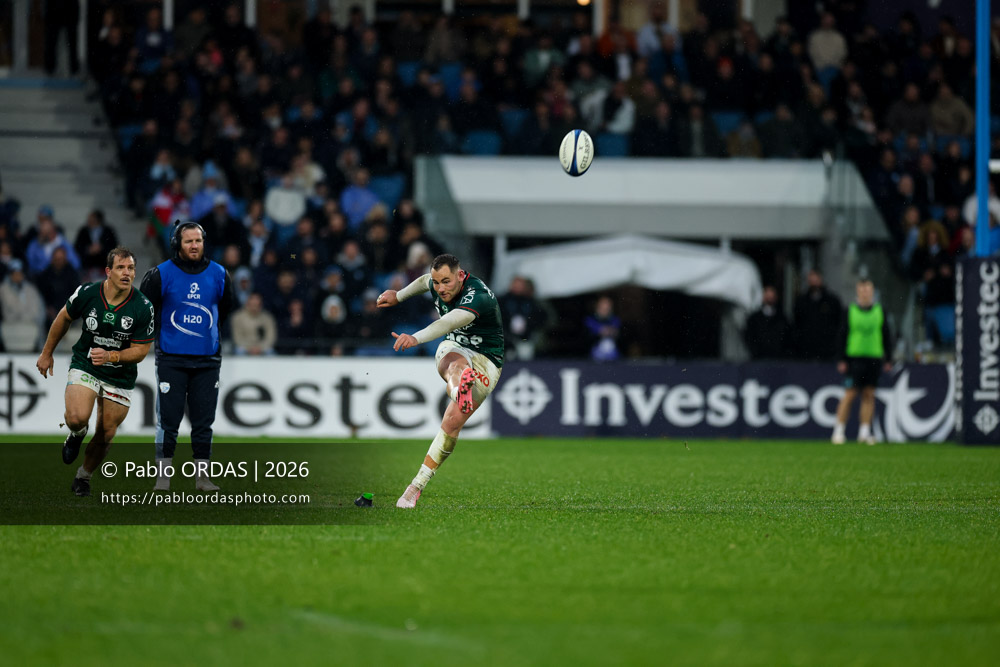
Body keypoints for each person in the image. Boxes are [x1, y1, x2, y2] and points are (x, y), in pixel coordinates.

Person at [376, 254, 504, 508]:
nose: (441, 288)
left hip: (487, 360)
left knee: (451, 423)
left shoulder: (477, 296)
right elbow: (424, 281)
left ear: (460, 275)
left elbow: (446, 323)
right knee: (456, 366)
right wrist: (398, 295)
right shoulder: (435, 282)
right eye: (437, 282)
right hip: (455, 347)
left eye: (446, 281)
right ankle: (413, 489)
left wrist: (415, 338)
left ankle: (418, 482)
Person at [34, 247, 154, 497]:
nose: (127, 273)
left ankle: (83, 477)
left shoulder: (143, 306)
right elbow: (64, 317)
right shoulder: (88, 292)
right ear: (108, 271)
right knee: (77, 417)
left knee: (107, 432)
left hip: (120, 374)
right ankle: (77, 433)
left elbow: (141, 350)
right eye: (120, 268)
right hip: (86, 363)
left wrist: (112, 356)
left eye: (131, 268)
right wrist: (47, 353)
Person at [139, 221, 236, 491]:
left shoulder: (220, 274)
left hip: (207, 360)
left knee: (204, 423)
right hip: (171, 358)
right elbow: (145, 310)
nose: (194, 245)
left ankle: (202, 478)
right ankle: (163, 479)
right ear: (177, 244)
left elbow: (225, 309)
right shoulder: (160, 274)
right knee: (168, 422)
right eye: (188, 241)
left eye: (198, 241)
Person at [831, 279, 893, 445]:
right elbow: (842, 334)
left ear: (872, 292)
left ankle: (864, 432)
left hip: (874, 358)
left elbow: (886, 335)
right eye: (862, 290)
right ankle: (838, 431)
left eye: (868, 290)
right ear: (858, 292)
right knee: (850, 394)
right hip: (855, 358)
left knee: (868, 394)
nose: (865, 293)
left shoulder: (880, 311)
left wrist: (888, 358)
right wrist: (841, 358)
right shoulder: (849, 310)